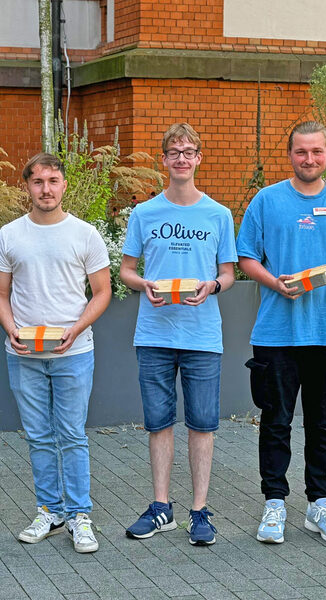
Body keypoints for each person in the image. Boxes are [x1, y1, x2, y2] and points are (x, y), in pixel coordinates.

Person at [238, 121, 326, 545]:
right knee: (274, 422)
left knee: (322, 423)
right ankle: (275, 503)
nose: (309, 159)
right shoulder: (267, 200)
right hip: (277, 334)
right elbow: (246, 257)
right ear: (290, 154)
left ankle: (320, 504)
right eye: (301, 152)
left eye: (317, 152)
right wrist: (274, 281)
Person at [120, 123, 237, 546]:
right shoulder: (144, 213)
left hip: (203, 335)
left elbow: (229, 274)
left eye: (189, 151)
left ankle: (200, 511)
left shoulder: (218, 214)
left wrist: (213, 287)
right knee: (159, 423)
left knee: (203, 424)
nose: (182, 158)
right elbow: (127, 270)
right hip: (154, 334)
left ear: (199, 159)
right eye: (174, 152)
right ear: (164, 160)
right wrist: (143, 285)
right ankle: (160, 507)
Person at [0, 153, 112, 554]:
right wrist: (10, 330)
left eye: (53, 181)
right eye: (38, 181)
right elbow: (0, 294)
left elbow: (102, 292)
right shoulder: (10, 235)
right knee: (40, 437)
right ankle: (50, 510)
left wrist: (76, 329)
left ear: (63, 185)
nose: (46, 189)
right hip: (23, 353)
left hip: (74, 353)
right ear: (26, 186)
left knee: (72, 435)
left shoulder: (85, 234)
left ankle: (80, 515)